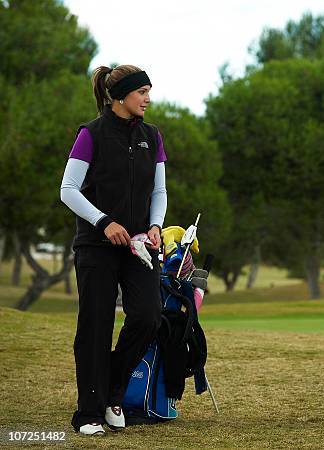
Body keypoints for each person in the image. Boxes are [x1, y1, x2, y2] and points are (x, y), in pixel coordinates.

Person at [60, 65, 168, 435]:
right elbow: (68, 190)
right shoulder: (91, 134)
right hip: (96, 246)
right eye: (142, 93)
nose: (148, 100)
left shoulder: (152, 137)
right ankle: (89, 412)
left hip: (139, 246)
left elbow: (159, 191)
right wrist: (104, 222)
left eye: (148, 92)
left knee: (148, 317)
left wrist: (154, 226)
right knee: (96, 325)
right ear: (120, 96)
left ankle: (111, 391)